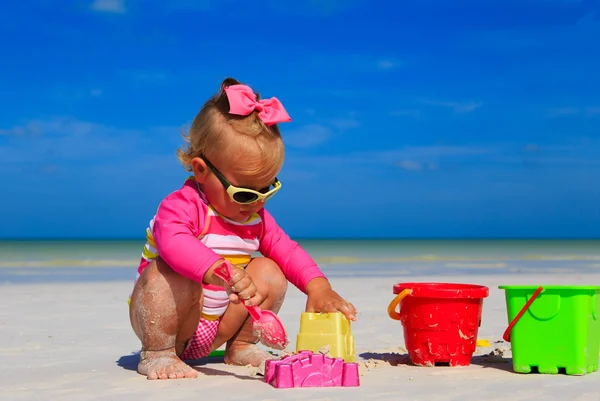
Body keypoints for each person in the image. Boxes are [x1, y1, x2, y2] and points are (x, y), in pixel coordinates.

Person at [128, 78, 358, 380]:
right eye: (246, 193)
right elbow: (173, 241)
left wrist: (318, 287)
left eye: (267, 190)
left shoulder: (254, 218)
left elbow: (288, 250)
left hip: (219, 326)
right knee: (166, 271)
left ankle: (241, 344)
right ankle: (157, 354)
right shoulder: (184, 205)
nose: (256, 203)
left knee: (270, 271)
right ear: (201, 170)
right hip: (171, 322)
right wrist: (217, 269)